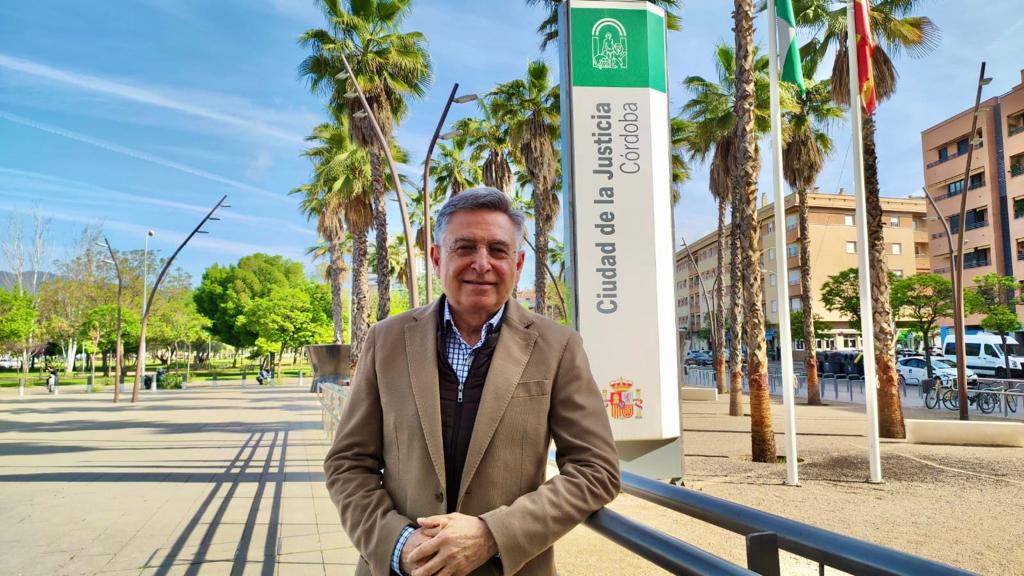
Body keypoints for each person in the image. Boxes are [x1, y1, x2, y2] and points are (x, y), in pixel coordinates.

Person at [324, 187, 620, 576]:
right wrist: (397, 542)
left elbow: (595, 468)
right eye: (464, 248)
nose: (482, 264)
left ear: (517, 263)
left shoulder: (558, 346)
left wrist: (493, 534)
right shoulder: (387, 340)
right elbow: (348, 463)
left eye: (498, 250)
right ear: (436, 257)